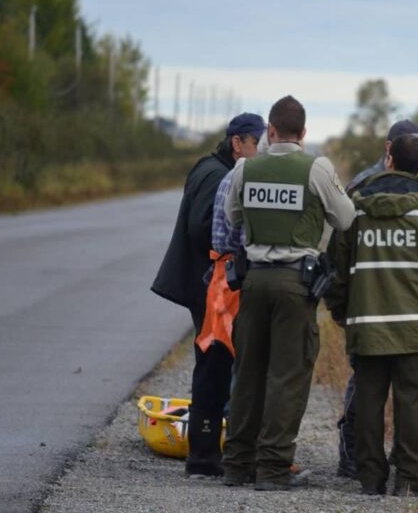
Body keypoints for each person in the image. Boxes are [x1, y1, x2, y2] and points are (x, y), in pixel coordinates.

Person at [221, 95, 355, 491]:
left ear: (271, 131)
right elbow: (345, 217)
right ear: (304, 133)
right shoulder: (316, 168)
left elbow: (232, 216)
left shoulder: (246, 168)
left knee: (247, 374)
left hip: (254, 280)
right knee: (287, 376)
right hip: (296, 283)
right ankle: (274, 468)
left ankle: (237, 464)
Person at [328, 134, 418, 498]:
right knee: (412, 405)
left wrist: (340, 309)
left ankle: (371, 479)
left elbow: (337, 266)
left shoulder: (356, 206)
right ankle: (411, 480)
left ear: (388, 157)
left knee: (368, 403)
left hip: (369, 325)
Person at [151, 112, 265, 477]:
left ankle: (208, 450)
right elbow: (203, 228)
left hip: (206, 284)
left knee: (214, 364)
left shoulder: (209, 167)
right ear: (238, 143)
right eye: (257, 144)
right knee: (214, 365)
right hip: (209, 287)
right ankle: (204, 455)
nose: (260, 152)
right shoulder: (219, 176)